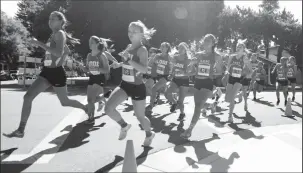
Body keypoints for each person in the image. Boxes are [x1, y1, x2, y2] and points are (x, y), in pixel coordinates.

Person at [3, 11, 87, 138]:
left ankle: (85, 108)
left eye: (53, 19)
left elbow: (58, 53)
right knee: (28, 97)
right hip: (47, 72)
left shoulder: (60, 33)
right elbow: (61, 53)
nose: (50, 21)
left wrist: (39, 43)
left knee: (64, 102)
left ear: (60, 21)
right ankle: (21, 130)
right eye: (49, 19)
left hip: (57, 73)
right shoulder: (53, 35)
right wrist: (62, 54)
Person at [104, 20, 155, 146]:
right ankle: (124, 125)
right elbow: (128, 63)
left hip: (137, 87)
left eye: (134, 31)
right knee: (108, 108)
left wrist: (128, 60)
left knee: (140, 117)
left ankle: (149, 134)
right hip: (125, 84)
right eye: (129, 31)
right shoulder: (128, 47)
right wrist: (120, 64)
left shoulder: (142, 50)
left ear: (141, 35)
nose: (130, 33)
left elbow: (143, 69)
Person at [181, 34, 223, 138]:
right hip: (197, 82)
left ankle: (189, 130)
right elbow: (193, 70)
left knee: (198, 107)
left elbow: (219, 71)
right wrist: (192, 64)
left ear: (213, 43)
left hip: (208, 82)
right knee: (198, 106)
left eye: (208, 41)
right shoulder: (198, 54)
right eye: (205, 40)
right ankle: (211, 105)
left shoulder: (216, 56)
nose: (206, 43)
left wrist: (211, 70)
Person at [79, 36, 110, 124]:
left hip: (100, 78)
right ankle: (103, 97)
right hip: (92, 78)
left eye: (92, 42)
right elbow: (87, 69)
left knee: (91, 100)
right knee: (89, 100)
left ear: (97, 44)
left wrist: (97, 68)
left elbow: (107, 70)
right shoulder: (89, 55)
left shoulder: (102, 55)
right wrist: (82, 67)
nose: (90, 44)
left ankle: (91, 118)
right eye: (89, 42)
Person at [165, 42, 192, 120]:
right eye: (179, 48)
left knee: (181, 101)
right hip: (175, 79)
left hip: (184, 81)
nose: (180, 49)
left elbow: (192, 72)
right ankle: (174, 102)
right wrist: (171, 74)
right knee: (167, 93)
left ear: (185, 50)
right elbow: (174, 68)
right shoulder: (175, 57)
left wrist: (184, 73)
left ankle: (182, 113)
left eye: (182, 48)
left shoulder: (188, 60)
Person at [224, 42, 249, 122]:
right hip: (231, 77)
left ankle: (230, 116)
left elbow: (248, 69)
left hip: (239, 79)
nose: (238, 48)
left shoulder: (244, 58)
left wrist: (245, 72)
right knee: (227, 99)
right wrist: (226, 72)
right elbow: (227, 67)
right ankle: (238, 96)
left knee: (231, 98)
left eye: (240, 47)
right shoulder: (232, 57)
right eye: (237, 46)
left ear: (243, 49)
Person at [147, 42, 172, 110]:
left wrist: (171, 74)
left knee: (154, 88)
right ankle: (173, 101)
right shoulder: (157, 55)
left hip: (165, 76)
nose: (161, 48)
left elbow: (172, 67)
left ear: (167, 48)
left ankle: (151, 105)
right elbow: (150, 64)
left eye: (163, 46)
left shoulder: (169, 57)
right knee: (165, 93)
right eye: (161, 46)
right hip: (157, 75)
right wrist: (152, 59)